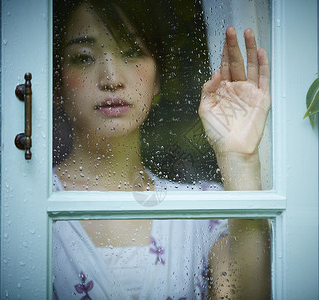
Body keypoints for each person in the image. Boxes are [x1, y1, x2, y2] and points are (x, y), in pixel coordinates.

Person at [52, 1, 271, 299]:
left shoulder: (204, 212)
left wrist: (240, 160)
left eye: (131, 52)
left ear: (158, 77)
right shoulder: (24, 207)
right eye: (84, 58)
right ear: (55, 82)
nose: (111, 79)